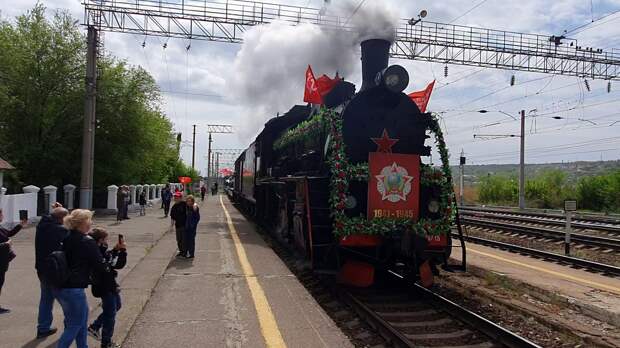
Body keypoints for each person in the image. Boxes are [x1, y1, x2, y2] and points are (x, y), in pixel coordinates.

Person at [55, 209, 108, 348]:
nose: (90, 223)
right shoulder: (86, 241)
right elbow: (99, 264)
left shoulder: (67, 237)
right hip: (74, 288)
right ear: (82, 223)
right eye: (88, 220)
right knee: (75, 324)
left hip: (63, 287)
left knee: (81, 321)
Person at [87, 228, 127, 348]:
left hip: (109, 284)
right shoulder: (96, 252)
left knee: (117, 306)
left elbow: (108, 258)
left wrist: (115, 250)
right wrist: (123, 251)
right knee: (110, 314)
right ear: (100, 240)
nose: (107, 241)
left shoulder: (99, 249)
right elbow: (116, 264)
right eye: (105, 239)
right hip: (104, 286)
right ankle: (106, 342)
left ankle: (94, 327)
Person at [34, 204, 69, 338]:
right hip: (56, 271)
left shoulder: (43, 225)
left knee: (46, 299)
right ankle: (70, 328)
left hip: (42, 269)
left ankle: (43, 328)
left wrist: (59, 209)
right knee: (67, 302)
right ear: (62, 219)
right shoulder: (59, 230)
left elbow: (53, 216)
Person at [0, 208, 27, 314]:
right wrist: (5, 244)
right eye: (1, 214)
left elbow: (9, 233)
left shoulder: (1, 228)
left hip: (2, 261)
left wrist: (20, 225)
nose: (3, 216)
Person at [170, 192, 187, 258]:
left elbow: (192, 203)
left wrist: (195, 205)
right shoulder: (174, 207)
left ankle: (184, 253)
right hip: (178, 226)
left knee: (184, 240)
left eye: (177, 197)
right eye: (175, 197)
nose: (175, 198)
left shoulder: (184, 204)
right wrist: (171, 226)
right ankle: (181, 252)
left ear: (180, 198)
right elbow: (172, 217)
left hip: (185, 225)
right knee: (179, 240)